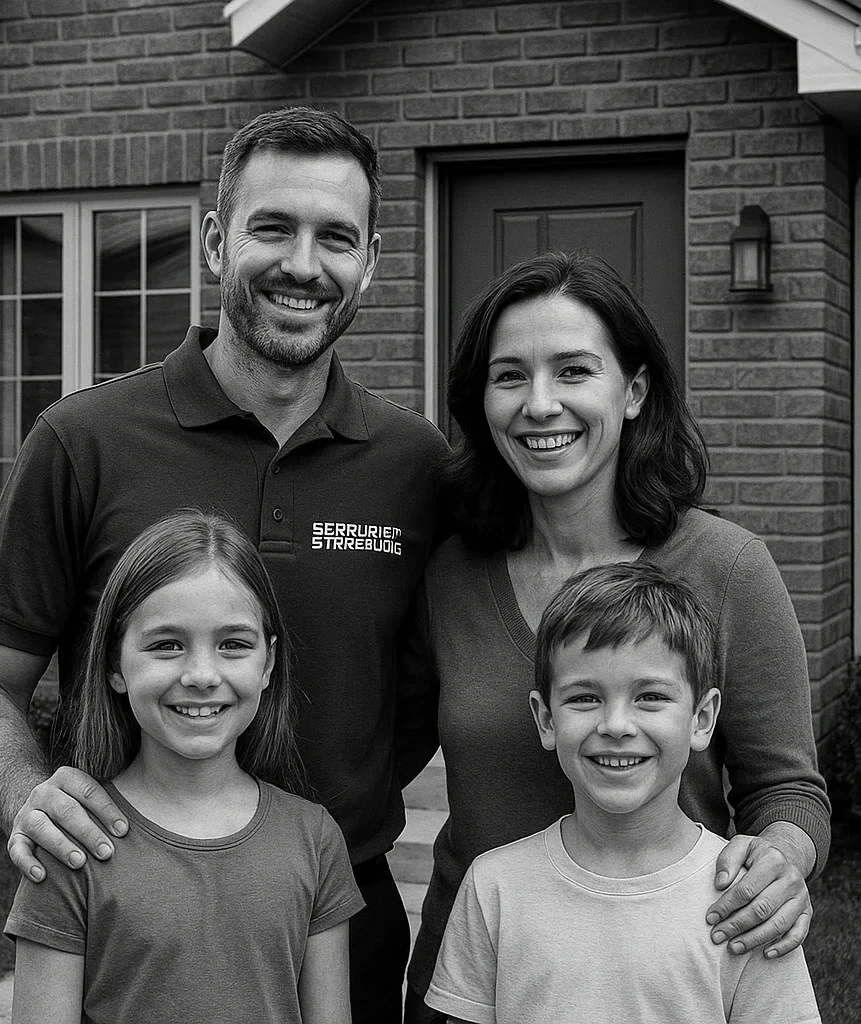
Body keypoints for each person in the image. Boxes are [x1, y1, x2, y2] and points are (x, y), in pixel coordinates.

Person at [0, 106, 447, 1023]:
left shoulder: (416, 467)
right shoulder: (81, 442)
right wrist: (26, 797)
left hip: (340, 907)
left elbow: (427, 690)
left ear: (370, 262)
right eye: (272, 227)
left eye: (336, 237)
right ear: (215, 243)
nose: (302, 264)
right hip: (121, 898)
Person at [403, 250, 830, 1020]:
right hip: (476, 976)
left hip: (666, 972)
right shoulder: (450, 576)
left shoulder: (727, 569)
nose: (539, 405)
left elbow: (787, 790)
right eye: (509, 376)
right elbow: (371, 748)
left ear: (632, 391)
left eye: (573, 371)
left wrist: (780, 863)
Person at [5, 510, 363, 1024]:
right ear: (114, 664)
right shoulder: (70, 842)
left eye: (233, 645)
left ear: (267, 664)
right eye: (166, 645)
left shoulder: (315, 840)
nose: (201, 675)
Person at [425, 563, 822, 1024]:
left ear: (703, 718)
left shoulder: (746, 901)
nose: (615, 725)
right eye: (584, 698)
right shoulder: (493, 888)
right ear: (546, 720)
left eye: (650, 696)